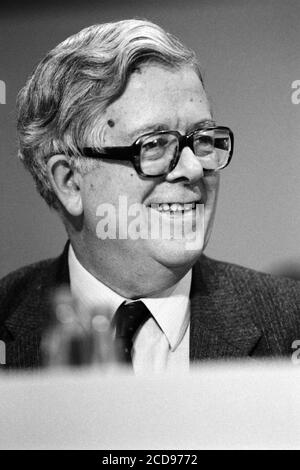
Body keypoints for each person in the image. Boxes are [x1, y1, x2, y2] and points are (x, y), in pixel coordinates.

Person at [0, 19, 299, 371]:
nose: (192, 168)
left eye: (201, 139)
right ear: (69, 182)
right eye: (154, 145)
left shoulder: (290, 322)